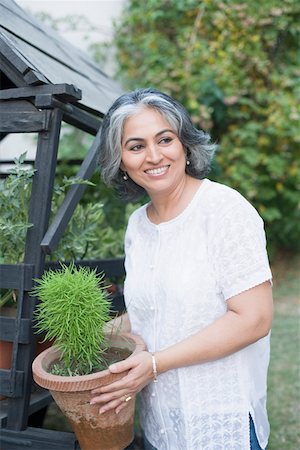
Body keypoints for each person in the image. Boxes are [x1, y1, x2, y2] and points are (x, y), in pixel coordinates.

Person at [91, 88, 273, 450]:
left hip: (220, 416)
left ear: (185, 145)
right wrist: (89, 335)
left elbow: (254, 319)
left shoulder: (223, 210)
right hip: (161, 422)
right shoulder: (137, 225)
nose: (154, 156)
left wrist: (155, 364)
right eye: (136, 146)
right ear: (121, 160)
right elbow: (151, 311)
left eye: (165, 139)